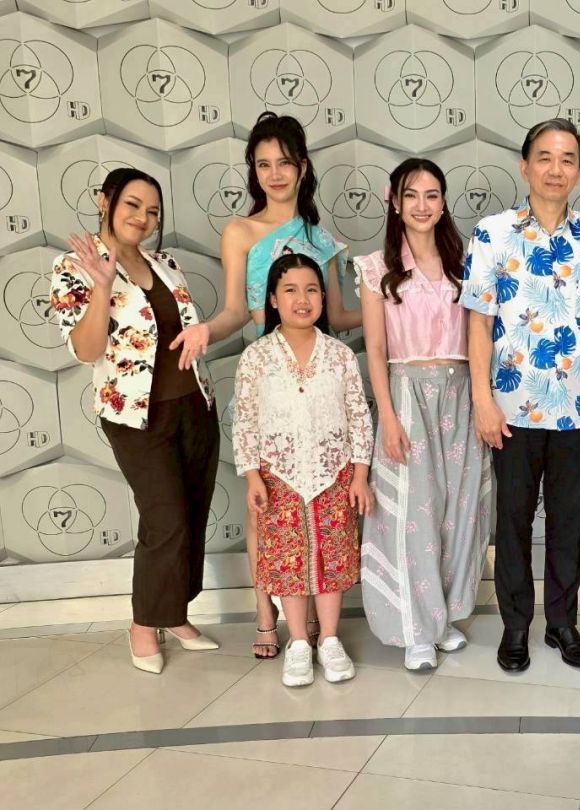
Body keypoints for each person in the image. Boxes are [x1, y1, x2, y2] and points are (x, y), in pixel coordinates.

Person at [171, 112, 359, 659]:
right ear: (254, 172)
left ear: (303, 167)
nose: (275, 174)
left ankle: (317, 624)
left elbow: (338, 317)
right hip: (266, 375)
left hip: (318, 381)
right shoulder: (240, 232)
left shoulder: (323, 240)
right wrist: (207, 330)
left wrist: (395, 309)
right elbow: (236, 311)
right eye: (263, 164)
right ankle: (264, 614)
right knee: (266, 504)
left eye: (284, 163)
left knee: (319, 502)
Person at [461, 118, 580, 673]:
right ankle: (515, 626)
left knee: (567, 521)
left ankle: (562, 623)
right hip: (511, 408)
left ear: (579, 169)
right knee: (511, 521)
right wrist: (482, 398)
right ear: (525, 165)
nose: (556, 169)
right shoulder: (492, 233)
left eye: (568, 159)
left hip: (578, 406)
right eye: (546, 158)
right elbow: (478, 321)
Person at [51, 168, 219, 674]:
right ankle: (144, 624)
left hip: (194, 403)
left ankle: (175, 613)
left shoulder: (165, 263)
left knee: (192, 513)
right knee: (165, 517)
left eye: (152, 211)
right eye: (132, 205)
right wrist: (102, 285)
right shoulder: (73, 266)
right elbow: (87, 350)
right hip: (134, 415)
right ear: (104, 201)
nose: (143, 218)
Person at [357, 158, 492, 671]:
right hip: (407, 394)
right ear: (394, 201)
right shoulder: (376, 268)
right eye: (411, 195)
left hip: (462, 392)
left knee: (460, 508)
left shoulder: (467, 263)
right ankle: (414, 627)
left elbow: (481, 334)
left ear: (443, 202)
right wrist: (388, 418)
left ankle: (443, 617)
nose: (422, 205)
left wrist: (482, 398)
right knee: (412, 513)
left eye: (432, 195)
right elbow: (375, 349)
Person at [232, 253, 374, 687]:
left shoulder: (339, 355)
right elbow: (245, 420)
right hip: (279, 474)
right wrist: (253, 475)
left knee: (332, 556)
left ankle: (329, 639)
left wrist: (360, 474)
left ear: (324, 298)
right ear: (273, 299)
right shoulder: (256, 358)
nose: (302, 299)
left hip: (334, 473)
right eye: (290, 290)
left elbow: (358, 414)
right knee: (288, 558)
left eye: (312, 290)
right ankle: (297, 642)